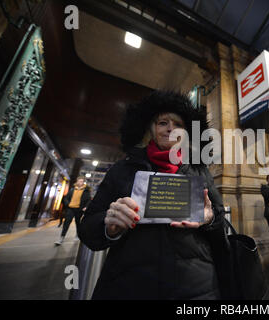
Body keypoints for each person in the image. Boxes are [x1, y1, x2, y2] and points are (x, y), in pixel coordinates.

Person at [78, 90, 230, 300]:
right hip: (130, 286)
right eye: (163, 123)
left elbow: (221, 222)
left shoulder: (199, 169)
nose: (170, 129)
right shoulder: (123, 169)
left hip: (196, 288)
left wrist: (209, 218)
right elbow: (87, 229)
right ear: (151, 129)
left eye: (178, 124)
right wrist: (108, 226)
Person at [54, 176, 91, 245]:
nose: (80, 182)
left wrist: (86, 207)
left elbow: (88, 200)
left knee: (78, 223)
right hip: (70, 208)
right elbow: (66, 198)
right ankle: (61, 238)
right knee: (66, 223)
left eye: (82, 181)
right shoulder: (72, 189)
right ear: (77, 182)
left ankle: (77, 235)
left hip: (79, 209)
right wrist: (68, 204)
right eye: (79, 181)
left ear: (83, 182)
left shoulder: (86, 190)